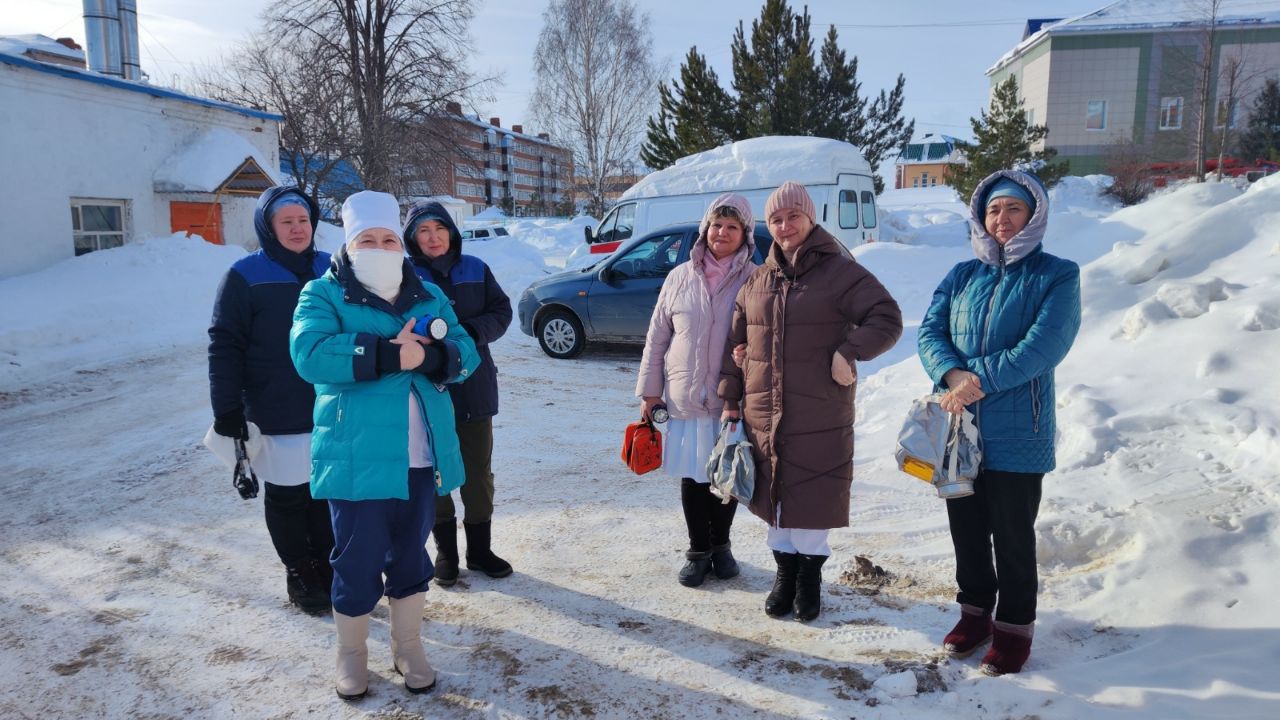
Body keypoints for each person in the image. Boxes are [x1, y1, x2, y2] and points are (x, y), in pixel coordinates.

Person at [290, 190, 479, 699]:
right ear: (349, 245)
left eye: (388, 239)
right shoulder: (323, 293)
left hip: (420, 453)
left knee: (411, 554)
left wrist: (431, 357)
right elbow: (309, 353)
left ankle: (408, 645)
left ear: (401, 244)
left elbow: (466, 350)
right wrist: (389, 354)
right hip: (356, 454)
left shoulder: (426, 293)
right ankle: (351, 653)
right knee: (356, 558)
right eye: (367, 239)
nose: (379, 247)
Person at [917, 169, 1081, 676]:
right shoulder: (961, 276)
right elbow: (930, 332)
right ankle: (974, 615)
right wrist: (951, 374)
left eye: (1013, 208)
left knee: (1012, 536)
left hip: (1019, 429)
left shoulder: (1057, 274)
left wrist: (976, 380)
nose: (1002, 218)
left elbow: (1044, 346)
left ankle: (1013, 628)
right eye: (993, 209)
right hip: (958, 426)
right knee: (965, 531)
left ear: (1034, 214)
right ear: (980, 218)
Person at [719, 181, 903, 622]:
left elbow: (887, 317)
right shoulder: (757, 280)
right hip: (764, 413)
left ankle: (809, 580)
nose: (785, 226)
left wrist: (848, 351)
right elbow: (735, 342)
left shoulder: (841, 272)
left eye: (793, 216)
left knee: (813, 499)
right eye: (776, 219)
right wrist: (731, 395)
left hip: (819, 410)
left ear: (810, 218)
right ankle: (784, 576)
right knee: (774, 500)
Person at [208, 185, 335, 615]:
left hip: (330, 402)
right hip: (274, 406)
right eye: (287, 222)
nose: (298, 229)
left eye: (303, 220)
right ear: (268, 227)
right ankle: (300, 571)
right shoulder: (245, 275)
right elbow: (225, 344)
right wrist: (226, 408)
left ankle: (328, 565)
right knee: (287, 494)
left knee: (325, 491)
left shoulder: (331, 267)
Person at [636, 194, 758, 588]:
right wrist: (650, 392)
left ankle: (721, 547)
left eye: (732, 227)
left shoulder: (754, 278)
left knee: (727, 475)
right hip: (685, 396)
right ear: (705, 228)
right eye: (716, 225)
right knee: (694, 477)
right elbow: (657, 337)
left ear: (745, 234)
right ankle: (698, 552)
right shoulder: (679, 277)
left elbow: (765, 336)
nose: (722, 233)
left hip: (730, 400)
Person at [403, 201, 514, 585]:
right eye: (423, 231)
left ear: (451, 232)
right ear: (412, 238)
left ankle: (480, 551)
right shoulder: (404, 277)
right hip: (427, 390)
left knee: (477, 473)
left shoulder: (475, 269)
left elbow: (501, 311)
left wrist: (466, 333)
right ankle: (446, 553)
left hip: (475, 387)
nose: (433, 238)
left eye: (439, 228)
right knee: (433, 469)